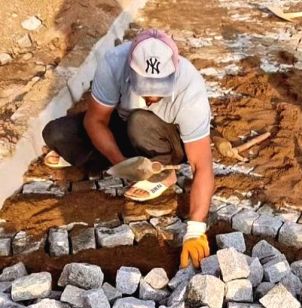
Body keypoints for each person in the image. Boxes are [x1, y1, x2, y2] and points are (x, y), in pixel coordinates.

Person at [42, 29, 215, 269]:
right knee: (57, 134)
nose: (151, 97)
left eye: (158, 90)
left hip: (166, 141)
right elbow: (95, 120)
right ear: (132, 72)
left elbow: (202, 165)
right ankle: (119, 159)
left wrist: (195, 230)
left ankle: (163, 173)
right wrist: (122, 164)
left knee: (139, 121)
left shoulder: (189, 86)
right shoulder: (114, 63)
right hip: (125, 126)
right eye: (145, 88)